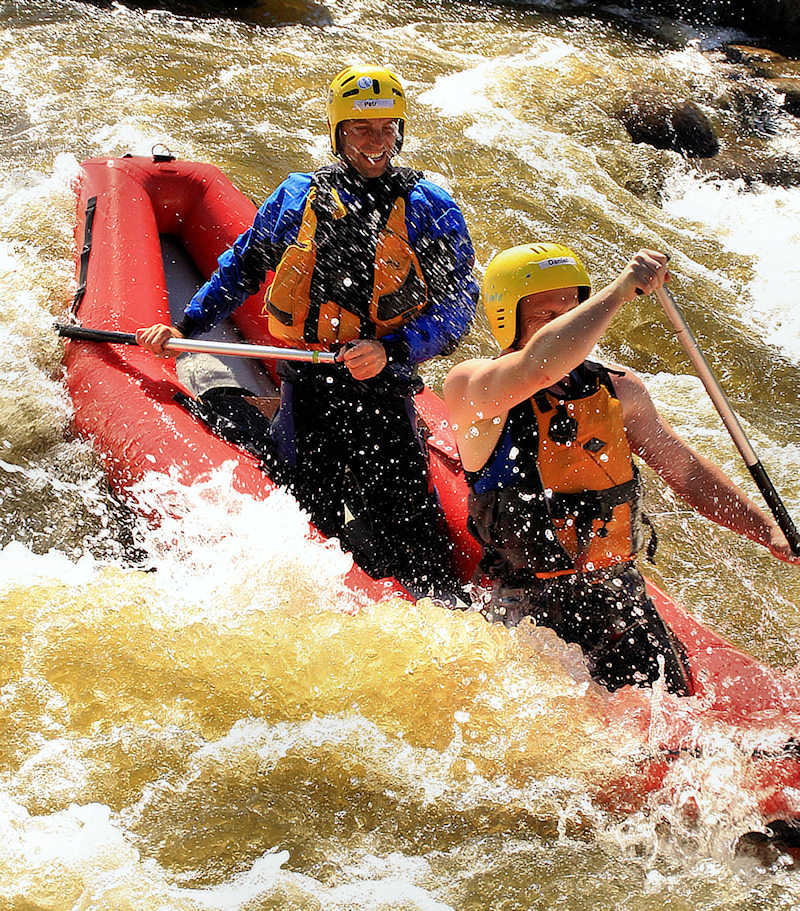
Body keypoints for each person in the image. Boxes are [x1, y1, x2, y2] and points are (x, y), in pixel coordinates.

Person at [136, 64, 479, 597]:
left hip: (384, 390)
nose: (376, 141)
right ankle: (236, 410)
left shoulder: (430, 208)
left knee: (417, 540)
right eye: (361, 129)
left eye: (387, 128)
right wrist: (182, 325)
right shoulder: (299, 198)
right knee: (302, 509)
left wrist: (393, 349)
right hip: (309, 381)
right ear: (338, 132)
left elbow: (460, 303)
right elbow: (242, 268)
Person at [443, 242, 800, 694]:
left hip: (617, 593)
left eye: (571, 307)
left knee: (672, 695)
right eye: (545, 317)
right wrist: (618, 292)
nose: (565, 322)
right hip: (526, 603)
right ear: (506, 320)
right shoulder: (474, 388)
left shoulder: (619, 389)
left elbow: (686, 473)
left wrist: (763, 527)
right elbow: (537, 367)